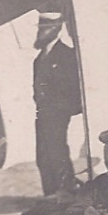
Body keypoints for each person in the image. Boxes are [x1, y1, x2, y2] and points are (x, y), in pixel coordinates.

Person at [33, 12, 82, 196]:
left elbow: (71, 87)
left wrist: (62, 108)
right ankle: (50, 195)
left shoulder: (66, 56)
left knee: (57, 153)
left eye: (45, 28)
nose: (40, 32)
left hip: (58, 114)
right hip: (43, 114)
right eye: (40, 28)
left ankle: (64, 192)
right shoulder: (39, 59)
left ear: (56, 28)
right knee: (43, 156)